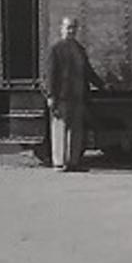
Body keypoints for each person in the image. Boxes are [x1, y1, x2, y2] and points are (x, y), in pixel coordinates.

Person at [43, 16, 104, 172]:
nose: (71, 31)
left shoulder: (79, 49)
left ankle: (73, 161)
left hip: (78, 95)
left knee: (76, 131)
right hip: (62, 96)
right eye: (68, 27)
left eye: (73, 28)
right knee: (60, 129)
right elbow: (50, 75)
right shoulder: (55, 49)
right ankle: (59, 162)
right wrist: (51, 96)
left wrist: (101, 85)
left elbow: (87, 72)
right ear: (61, 28)